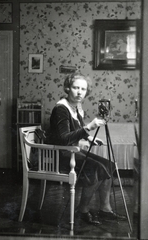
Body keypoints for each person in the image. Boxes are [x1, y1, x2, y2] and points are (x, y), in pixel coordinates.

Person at [45, 72, 126, 225]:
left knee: (109, 165)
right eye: (76, 88)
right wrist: (90, 127)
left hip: (72, 151)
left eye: (83, 89)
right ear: (68, 88)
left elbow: (76, 129)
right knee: (96, 169)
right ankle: (82, 210)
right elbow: (63, 138)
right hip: (61, 155)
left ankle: (105, 209)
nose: (79, 92)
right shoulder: (61, 108)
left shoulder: (75, 107)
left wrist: (89, 137)